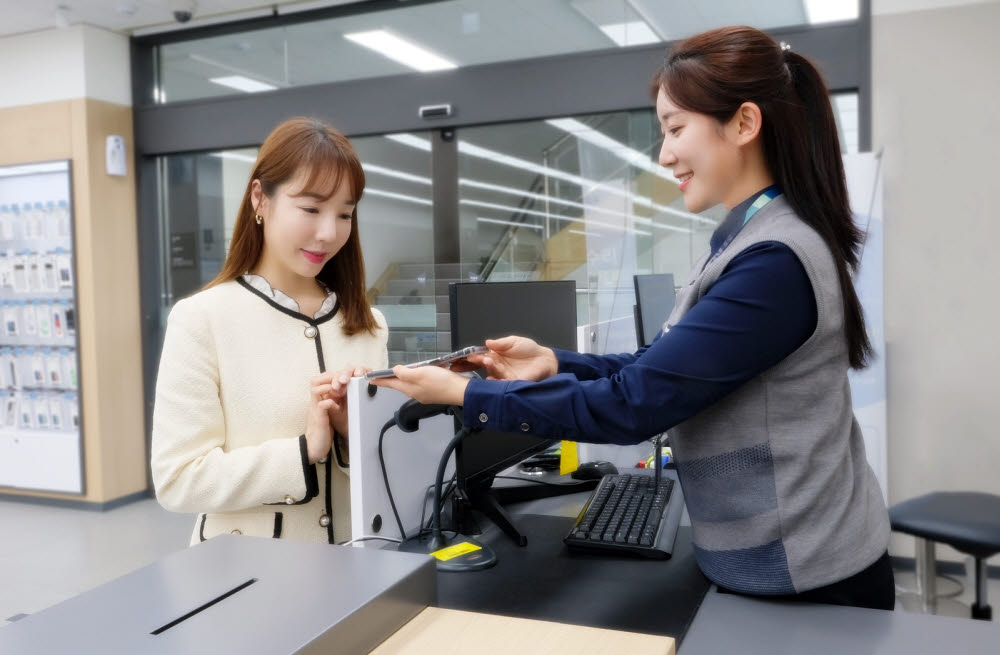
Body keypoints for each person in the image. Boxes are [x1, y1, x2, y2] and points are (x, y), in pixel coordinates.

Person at [372, 26, 894, 610]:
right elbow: (658, 366)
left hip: (808, 577)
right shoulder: (751, 239)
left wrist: (469, 396)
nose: (665, 154)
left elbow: (635, 402)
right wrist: (554, 362)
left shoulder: (772, 263)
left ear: (745, 124)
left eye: (675, 129)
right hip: (789, 558)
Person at [151, 118, 388, 546]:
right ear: (260, 198)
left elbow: (389, 464)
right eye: (312, 209)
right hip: (248, 575)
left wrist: (353, 433)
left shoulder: (368, 324)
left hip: (361, 567)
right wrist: (303, 451)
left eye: (345, 214)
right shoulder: (202, 319)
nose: (329, 233)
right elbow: (178, 479)